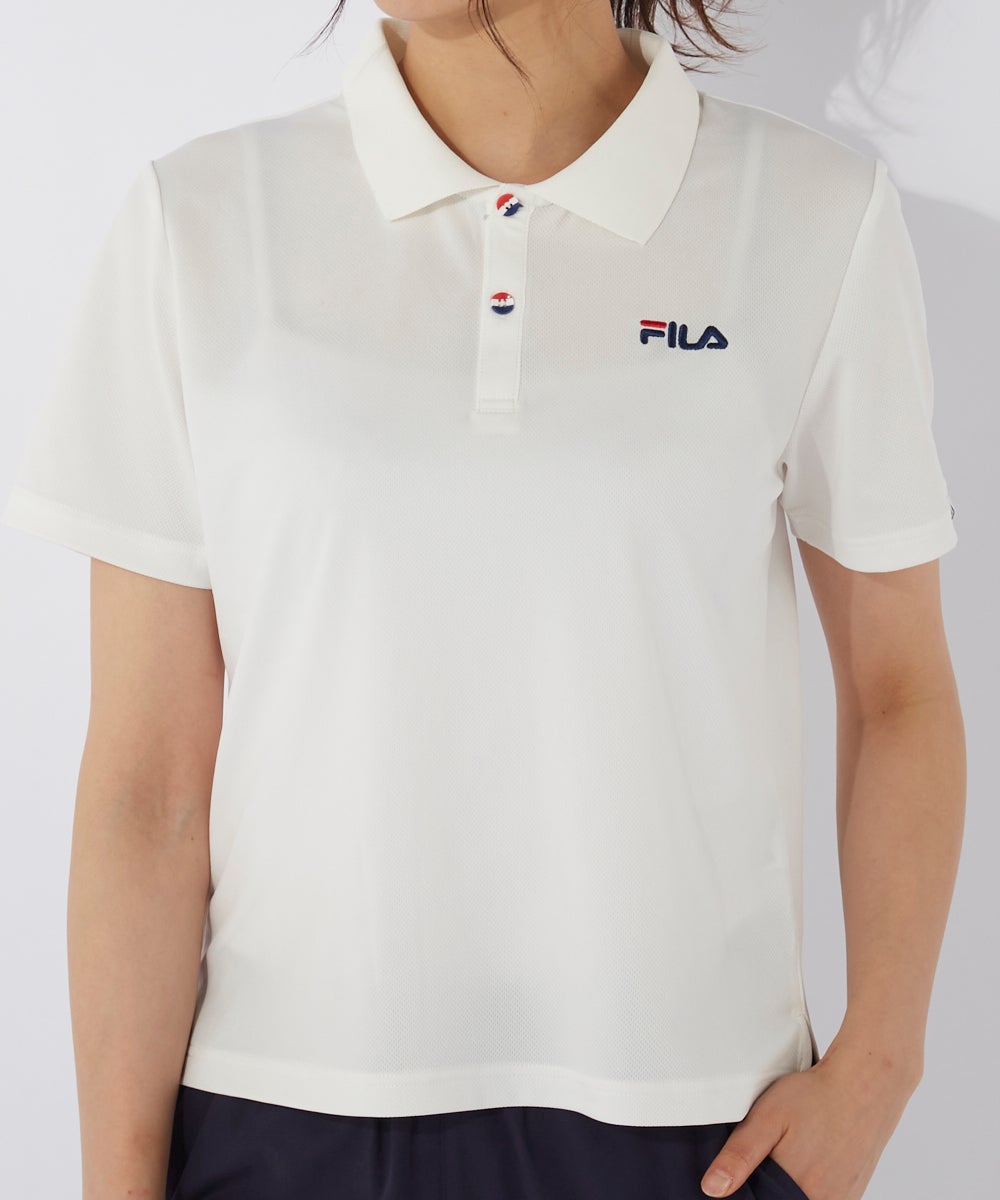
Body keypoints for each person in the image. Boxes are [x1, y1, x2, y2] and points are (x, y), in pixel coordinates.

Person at [0, 1, 966, 1198]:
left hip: (692, 1122)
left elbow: (896, 687)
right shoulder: (198, 218)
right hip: (285, 1117)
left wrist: (880, 1063)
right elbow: (147, 786)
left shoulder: (814, 214)